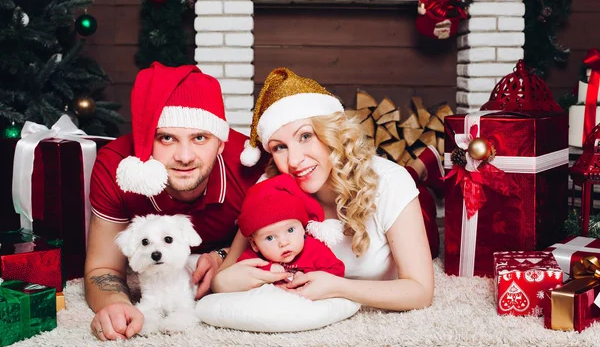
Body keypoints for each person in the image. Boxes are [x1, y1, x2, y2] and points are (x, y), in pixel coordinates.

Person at [84, 62, 289, 341]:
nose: (184, 156)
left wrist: (223, 257)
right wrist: (114, 304)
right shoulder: (116, 166)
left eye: (200, 138)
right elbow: (103, 267)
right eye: (167, 138)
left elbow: (286, 244)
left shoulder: (252, 168)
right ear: (146, 141)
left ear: (220, 143)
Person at [212, 67, 438, 312]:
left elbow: (420, 291)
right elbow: (224, 276)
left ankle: (420, 168)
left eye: (306, 136)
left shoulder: (392, 182)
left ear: (332, 133)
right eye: (279, 147)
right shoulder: (271, 185)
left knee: (417, 193)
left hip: (415, 211)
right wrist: (225, 277)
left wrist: (337, 287)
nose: (295, 161)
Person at [236, 173, 345, 279]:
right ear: (254, 244)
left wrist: (310, 277)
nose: (283, 243)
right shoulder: (254, 258)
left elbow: (337, 269)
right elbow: (240, 273)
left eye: (290, 230)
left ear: (303, 228)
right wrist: (267, 268)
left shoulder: (315, 250)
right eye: (270, 238)